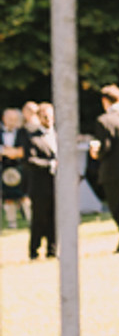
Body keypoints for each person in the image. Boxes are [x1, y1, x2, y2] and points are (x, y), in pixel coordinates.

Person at [90, 85, 119, 251]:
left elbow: (106, 147)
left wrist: (95, 153)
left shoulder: (104, 121)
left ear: (104, 101)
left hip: (113, 171)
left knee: (118, 208)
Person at [24, 103, 57, 260]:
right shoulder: (31, 137)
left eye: (50, 116)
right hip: (39, 187)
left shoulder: (58, 135)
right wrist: (50, 164)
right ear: (39, 118)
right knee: (39, 220)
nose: (48, 119)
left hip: (57, 186)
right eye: (45, 116)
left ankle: (52, 250)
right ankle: (34, 251)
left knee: (55, 219)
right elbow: (29, 160)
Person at [0, 107, 26, 228]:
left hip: (19, 167)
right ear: (3, 119)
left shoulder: (22, 132)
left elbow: (22, 151)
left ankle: (30, 219)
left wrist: (7, 151)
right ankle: (12, 223)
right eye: (10, 119)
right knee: (8, 197)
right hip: (3, 168)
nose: (12, 121)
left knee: (24, 195)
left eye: (14, 119)